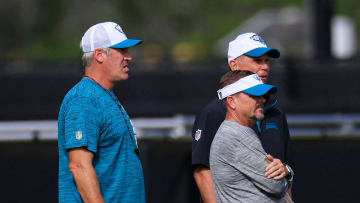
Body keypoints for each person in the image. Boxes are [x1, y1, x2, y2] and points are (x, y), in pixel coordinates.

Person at [192, 32, 294, 203]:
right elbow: (203, 171)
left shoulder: (276, 111)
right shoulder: (215, 111)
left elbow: (283, 170)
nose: (265, 67)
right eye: (257, 60)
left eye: (267, 60)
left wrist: (287, 172)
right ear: (234, 65)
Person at [57, 22, 145, 203]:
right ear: (99, 55)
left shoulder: (102, 95)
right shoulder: (83, 99)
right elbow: (79, 166)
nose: (129, 57)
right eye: (122, 50)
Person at [210, 70, 289, 202]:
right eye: (254, 95)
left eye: (263, 95)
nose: (263, 99)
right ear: (231, 101)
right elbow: (276, 185)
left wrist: (284, 170)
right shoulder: (236, 135)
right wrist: (286, 173)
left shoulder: (238, 132)